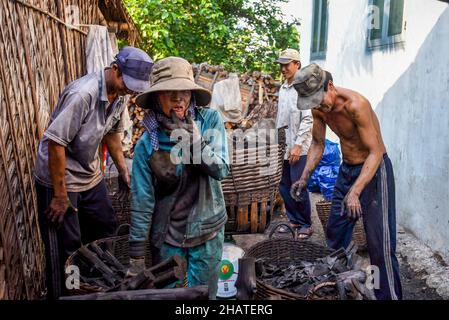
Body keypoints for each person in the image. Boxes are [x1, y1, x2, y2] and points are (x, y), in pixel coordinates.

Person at [34, 46, 154, 299]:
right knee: (66, 245)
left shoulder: (119, 95)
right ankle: (66, 295)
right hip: (59, 177)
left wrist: (123, 170)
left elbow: (111, 133)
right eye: (128, 83)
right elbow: (56, 142)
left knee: (105, 225)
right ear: (115, 69)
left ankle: (92, 284)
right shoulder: (83, 93)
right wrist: (59, 195)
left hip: (89, 174)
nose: (130, 90)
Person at [290, 63, 402, 300]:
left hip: (374, 171)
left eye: (320, 99)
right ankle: (338, 288)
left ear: (330, 86)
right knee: (335, 232)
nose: (319, 106)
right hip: (347, 169)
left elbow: (376, 151)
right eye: (313, 103)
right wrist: (304, 177)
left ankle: (389, 296)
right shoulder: (319, 109)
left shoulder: (356, 105)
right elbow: (318, 144)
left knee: (379, 245)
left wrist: (355, 192)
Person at [127, 57, 229, 299]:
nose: (178, 98)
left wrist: (193, 140)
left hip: (207, 230)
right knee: (167, 297)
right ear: (155, 98)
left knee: (204, 297)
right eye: (169, 92)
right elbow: (142, 201)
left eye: (184, 91)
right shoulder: (146, 144)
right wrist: (137, 256)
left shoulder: (209, 122)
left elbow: (221, 169)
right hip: (168, 237)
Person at [275, 49, 313, 238]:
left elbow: (308, 120)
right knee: (284, 185)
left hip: (299, 146)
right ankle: (294, 219)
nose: (283, 68)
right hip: (284, 145)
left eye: (286, 64)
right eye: (281, 65)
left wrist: (297, 145)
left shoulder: (303, 88)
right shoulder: (283, 88)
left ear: (297, 64)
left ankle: (306, 224)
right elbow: (281, 119)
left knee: (298, 186)